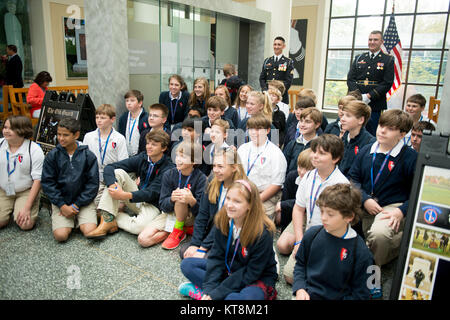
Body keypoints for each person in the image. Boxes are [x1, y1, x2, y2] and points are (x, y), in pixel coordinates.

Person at [179, 179, 278, 300]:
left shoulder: (263, 232)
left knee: (234, 299)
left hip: (256, 277)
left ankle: (206, 294)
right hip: (231, 269)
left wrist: (216, 293)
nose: (229, 205)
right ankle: (210, 293)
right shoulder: (223, 220)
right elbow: (216, 257)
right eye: (228, 198)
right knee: (187, 264)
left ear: (250, 205)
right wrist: (210, 289)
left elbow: (251, 272)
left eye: (237, 201)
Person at [348, 109, 417, 267]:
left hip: (392, 206)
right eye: (381, 125)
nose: (382, 131)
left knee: (379, 235)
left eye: (390, 128)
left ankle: (373, 269)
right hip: (365, 202)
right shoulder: (367, 150)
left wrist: (401, 211)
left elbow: (417, 192)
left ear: (402, 134)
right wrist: (365, 199)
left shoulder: (410, 157)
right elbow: (353, 178)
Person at [280, 134, 349, 284]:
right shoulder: (309, 176)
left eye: (322, 153)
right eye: (314, 151)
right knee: (289, 276)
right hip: (309, 229)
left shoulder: (341, 184)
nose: (315, 156)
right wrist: (299, 242)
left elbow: (340, 226)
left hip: (329, 235)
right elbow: (298, 209)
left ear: (335, 158)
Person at [85, 130, 174, 240]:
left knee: (138, 228)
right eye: (148, 143)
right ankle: (107, 219)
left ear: (163, 148)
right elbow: (110, 167)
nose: (149, 147)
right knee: (118, 172)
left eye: (154, 144)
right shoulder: (143, 157)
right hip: (136, 197)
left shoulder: (168, 168)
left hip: (152, 205)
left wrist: (124, 195)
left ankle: (110, 217)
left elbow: (151, 193)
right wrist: (112, 185)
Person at [293, 183, 374, 300]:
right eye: (321, 211)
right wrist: (300, 288)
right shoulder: (312, 234)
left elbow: (361, 294)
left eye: (330, 214)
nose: (324, 218)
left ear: (349, 217)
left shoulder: (360, 252)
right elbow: (300, 265)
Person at [180, 146, 246, 259]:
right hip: (213, 232)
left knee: (204, 259)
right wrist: (195, 244)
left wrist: (203, 247)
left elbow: (224, 223)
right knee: (185, 252)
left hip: (232, 236)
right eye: (214, 165)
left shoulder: (241, 189)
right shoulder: (212, 181)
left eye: (220, 166)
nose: (215, 170)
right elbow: (203, 215)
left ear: (234, 167)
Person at [139, 141, 207, 250]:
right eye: (177, 155)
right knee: (143, 239)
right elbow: (162, 205)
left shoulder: (201, 179)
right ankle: (180, 229)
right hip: (171, 213)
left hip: (190, 216)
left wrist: (191, 200)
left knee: (182, 195)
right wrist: (171, 199)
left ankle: (178, 230)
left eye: (183, 157)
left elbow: (202, 211)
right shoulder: (169, 174)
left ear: (194, 161)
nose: (178, 159)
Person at [41, 118, 99, 242]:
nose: (61, 138)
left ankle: (79, 218)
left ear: (76, 135)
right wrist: (62, 205)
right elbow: (48, 183)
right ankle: (69, 219)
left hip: (83, 202)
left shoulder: (88, 156)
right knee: (61, 236)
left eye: (65, 135)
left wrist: (77, 205)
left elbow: (92, 185)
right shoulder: (52, 156)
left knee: (89, 232)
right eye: (59, 134)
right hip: (61, 202)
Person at [237, 114, 287, 219]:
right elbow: (236, 173)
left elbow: (276, 184)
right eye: (251, 129)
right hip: (242, 192)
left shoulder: (275, 153)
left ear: (268, 131)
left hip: (265, 197)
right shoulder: (243, 149)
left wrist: (255, 201)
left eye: (259, 129)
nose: (254, 133)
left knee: (259, 227)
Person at [0, 116, 44, 231]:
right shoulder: (0, 144)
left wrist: (27, 207)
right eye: (5, 127)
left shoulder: (34, 150)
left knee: (25, 224)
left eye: (11, 128)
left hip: (25, 191)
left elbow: (38, 180)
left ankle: (33, 204)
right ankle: (9, 209)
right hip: (3, 190)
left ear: (22, 130)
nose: (5, 131)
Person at [347, 30, 395, 136]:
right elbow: (350, 79)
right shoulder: (359, 58)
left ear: (381, 42)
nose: (372, 42)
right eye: (370, 39)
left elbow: (387, 83)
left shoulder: (388, 60)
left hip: (375, 104)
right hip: (356, 102)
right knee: (352, 130)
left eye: (375, 40)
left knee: (371, 133)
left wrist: (369, 96)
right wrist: (358, 96)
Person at [82, 104, 128, 205]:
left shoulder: (119, 138)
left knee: (112, 204)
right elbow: (84, 160)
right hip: (94, 176)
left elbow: (123, 163)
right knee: (94, 203)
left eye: (103, 118)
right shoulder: (89, 137)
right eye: (97, 117)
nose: (99, 120)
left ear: (112, 119)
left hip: (112, 176)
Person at [275, 149, 314, 231]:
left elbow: (307, 202)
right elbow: (285, 199)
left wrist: (284, 204)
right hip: (292, 212)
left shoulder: (316, 182)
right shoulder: (292, 176)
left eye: (307, 169)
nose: (302, 172)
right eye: (300, 167)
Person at [339, 100, 375, 177]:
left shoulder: (369, 143)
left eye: (348, 116)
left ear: (361, 120)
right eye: (342, 115)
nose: (342, 119)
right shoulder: (343, 138)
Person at [283, 107, 322, 175]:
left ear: (317, 124)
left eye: (307, 122)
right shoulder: (292, 144)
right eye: (301, 121)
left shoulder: (321, 147)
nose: (302, 125)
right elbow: (284, 167)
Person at [259, 36, 294, 104]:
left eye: (279, 44)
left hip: (281, 96)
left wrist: (277, 92)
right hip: (267, 95)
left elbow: (288, 81)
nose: (276, 47)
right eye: (275, 44)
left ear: (283, 46)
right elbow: (262, 78)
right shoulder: (267, 60)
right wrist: (265, 90)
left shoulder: (288, 62)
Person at [118, 90, 148, 157]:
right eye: (127, 101)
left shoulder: (146, 118)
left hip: (141, 155)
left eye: (132, 100)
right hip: (126, 154)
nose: (129, 103)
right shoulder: (123, 118)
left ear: (140, 103)